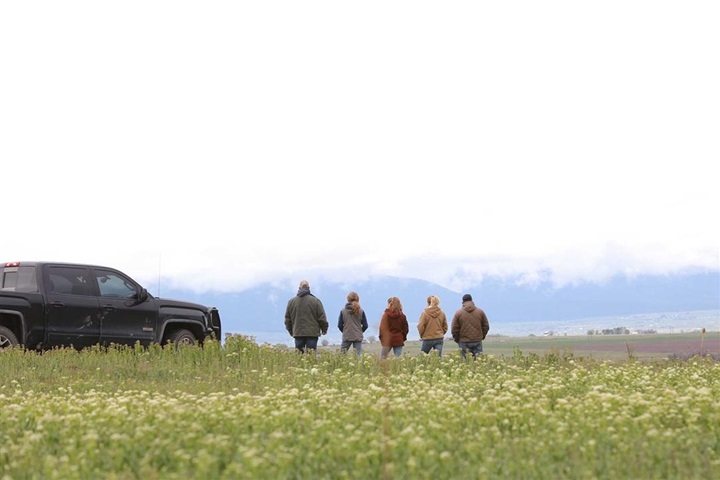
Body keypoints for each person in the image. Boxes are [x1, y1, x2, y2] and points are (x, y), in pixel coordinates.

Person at [284, 280, 328, 353]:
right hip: (312, 333)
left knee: (299, 356)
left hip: (298, 332)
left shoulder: (291, 302)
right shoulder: (316, 301)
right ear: (308, 288)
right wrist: (324, 329)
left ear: (299, 288)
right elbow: (322, 318)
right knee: (311, 356)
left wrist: (291, 331)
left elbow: (287, 320)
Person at [451, 293, 490, 360]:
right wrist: (481, 336)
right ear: (472, 300)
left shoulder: (458, 313)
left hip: (463, 341)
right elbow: (486, 326)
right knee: (478, 362)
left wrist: (457, 339)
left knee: (466, 362)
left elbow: (454, 329)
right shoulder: (480, 312)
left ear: (463, 302)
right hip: (477, 340)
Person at [338, 291, 368, 356]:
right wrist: (359, 331)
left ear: (348, 299)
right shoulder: (361, 311)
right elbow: (365, 325)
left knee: (342, 356)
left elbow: (339, 325)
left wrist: (345, 331)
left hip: (347, 335)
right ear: (357, 299)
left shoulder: (343, 311)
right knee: (358, 356)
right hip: (357, 336)